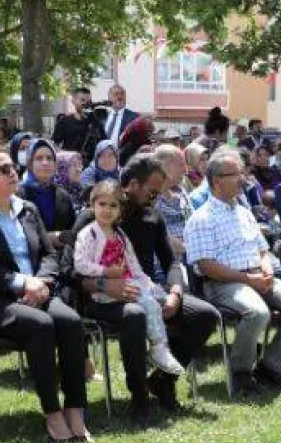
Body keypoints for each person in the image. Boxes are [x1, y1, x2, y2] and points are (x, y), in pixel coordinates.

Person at [0, 148, 92, 443]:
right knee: (41, 325)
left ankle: (75, 409)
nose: (13, 172)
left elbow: (49, 254)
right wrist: (20, 282)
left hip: (38, 292)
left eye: (13, 167)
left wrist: (41, 282)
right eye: (3, 169)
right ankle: (52, 413)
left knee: (71, 322)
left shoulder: (27, 209)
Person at [72, 155, 218, 417]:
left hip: (147, 290)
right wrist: (106, 286)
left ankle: (162, 381)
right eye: (152, 191)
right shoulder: (94, 217)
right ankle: (139, 398)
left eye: (160, 192)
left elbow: (171, 262)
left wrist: (175, 292)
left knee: (205, 314)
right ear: (131, 185)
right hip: (104, 298)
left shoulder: (153, 216)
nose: (157, 197)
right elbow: (71, 271)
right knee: (135, 316)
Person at [186, 147, 281, 394]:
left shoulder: (244, 213)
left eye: (241, 172)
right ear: (216, 181)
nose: (242, 178)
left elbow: (262, 250)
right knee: (257, 313)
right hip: (223, 284)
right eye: (234, 174)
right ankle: (241, 373)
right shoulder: (201, 219)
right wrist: (248, 279)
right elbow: (206, 266)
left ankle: (270, 367)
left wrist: (266, 269)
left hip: (259, 276)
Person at [74, 180, 187, 389]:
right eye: (102, 204)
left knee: (157, 297)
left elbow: (133, 266)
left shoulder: (120, 236)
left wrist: (149, 284)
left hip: (128, 282)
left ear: (120, 210)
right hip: (105, 291)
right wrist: (105, 272)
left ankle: (162, 349)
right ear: (92, 205)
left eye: (113, 205)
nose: (107, 210)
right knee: (150, 304)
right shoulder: (87, 234)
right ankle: (158, 347)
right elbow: (80, 264)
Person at [19, 138, 78, 249]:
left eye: (49, 158)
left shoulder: (63, 197)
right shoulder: (18, 195)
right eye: (39, 158)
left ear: (55, 165)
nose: (45, 162)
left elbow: (72, 232)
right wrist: (47, 238)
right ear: (30, 164)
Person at [51, 87, 103, 155]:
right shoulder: (64, 121)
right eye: (82, 100)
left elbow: (104, 144)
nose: (86, 104)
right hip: (69, 163)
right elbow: (54, 144)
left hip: (91, 163)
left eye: (89, 101)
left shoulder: (96, 122)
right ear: (73, 101)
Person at [100, 83, 138, 148]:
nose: (119, 97)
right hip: (102, 156)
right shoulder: (102, 116)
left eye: (122, 94)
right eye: (116, 94)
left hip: (123, 156)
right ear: (109, 97)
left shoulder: (134, 118)